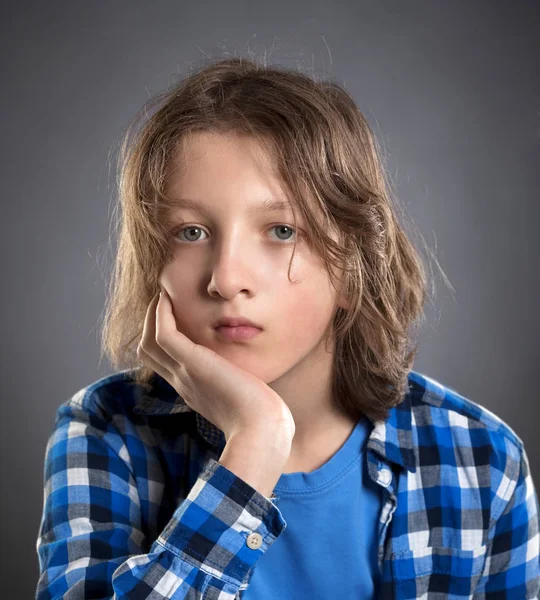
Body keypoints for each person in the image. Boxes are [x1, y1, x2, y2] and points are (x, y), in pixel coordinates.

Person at [35, 57, 540, 599]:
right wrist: (254, 444)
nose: (226, 279)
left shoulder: (482, 460)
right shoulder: (107, 434)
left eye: (280, 230)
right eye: (191, 231)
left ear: (354, 270)